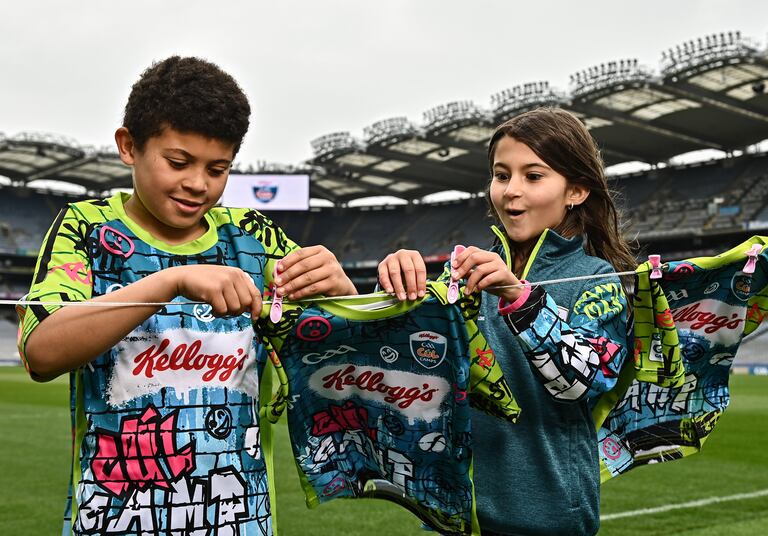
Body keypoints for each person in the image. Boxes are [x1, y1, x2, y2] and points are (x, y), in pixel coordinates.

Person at [17, 56, 356, 535]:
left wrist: (342, 291)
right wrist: (170, 281)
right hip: (114, 519)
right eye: (178, 163)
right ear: (128, 146)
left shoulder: (253, 236)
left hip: (241, 520)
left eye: (218, 169)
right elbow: (41, 352)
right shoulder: (87, 228)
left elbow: (336, 358)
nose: (198, 184)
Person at [377, 108, 637, 535]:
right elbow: (402, 365)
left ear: (576, 190)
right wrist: (398, 286)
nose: (511, 190)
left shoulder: (595, 279)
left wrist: (520, 298)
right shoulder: (464, 272)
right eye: (501, 175)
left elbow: (585, 381)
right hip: (452, 519)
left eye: (533, 176)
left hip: (547, 521)